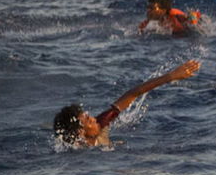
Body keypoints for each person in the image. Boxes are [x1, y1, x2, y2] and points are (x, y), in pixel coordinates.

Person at [53, 60, 201, 147]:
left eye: (88, 115)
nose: (93, 118)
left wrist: (170, 76)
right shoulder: (79, 152)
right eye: (87, 120)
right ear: (80, 133)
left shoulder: (101, 123)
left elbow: (132, 93)